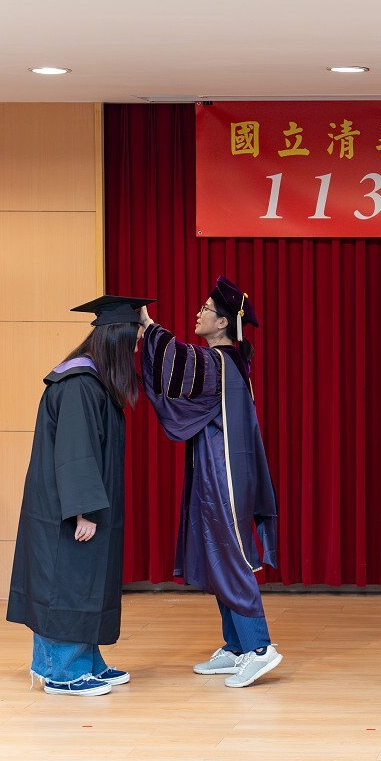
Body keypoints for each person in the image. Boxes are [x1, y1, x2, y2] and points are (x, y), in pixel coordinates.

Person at [138, 276, 281, 689]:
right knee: (217, 552)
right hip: (215, 469)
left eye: (205, 309)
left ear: (222, 323)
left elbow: (179, 360)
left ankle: (258, 647)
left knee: (229, 554)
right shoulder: (227, 362)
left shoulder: (219, 361)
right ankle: (236, 647)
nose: (198, 313)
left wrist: (149, 327)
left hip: (225, 474)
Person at [7, 295, 151, 697]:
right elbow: (75, 452)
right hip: (68, 509)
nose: (135, 351)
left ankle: (85, 661)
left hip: (80, 504)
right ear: (117, 341)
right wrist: (82, 510)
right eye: (133, 342)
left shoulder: (92, 381)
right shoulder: (79, 385)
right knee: (66, 583)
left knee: (85, 581)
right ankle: (62, 671)